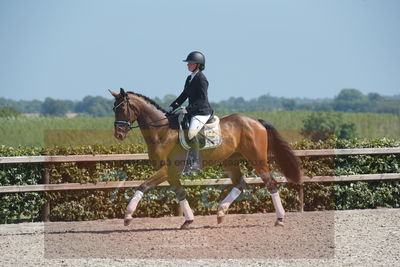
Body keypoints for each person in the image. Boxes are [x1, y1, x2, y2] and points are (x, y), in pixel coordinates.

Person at [166, 51, 213, 173]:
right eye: (188, 63)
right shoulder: (189, 78)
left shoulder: (202, 79)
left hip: (202, 111)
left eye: (190, 63)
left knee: (191, 133)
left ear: (198, 65)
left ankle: (195, 163)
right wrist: (172, 107)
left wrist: (188, 109)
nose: (188, 65)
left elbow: (202, 99)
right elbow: (184, 95)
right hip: (193, 111)